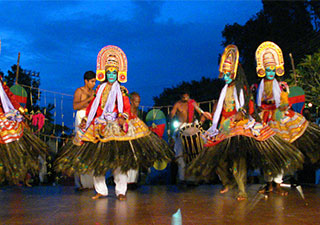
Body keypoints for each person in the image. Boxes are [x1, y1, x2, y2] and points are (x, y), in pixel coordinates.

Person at [55, 45, 173, 200]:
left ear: (119, 74)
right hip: (100, 125)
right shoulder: (99, 89)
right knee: (98, 160)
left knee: (119, 161)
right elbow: (93, 106)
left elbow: (125, 106)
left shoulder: (122, 90)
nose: (111, 75)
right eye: (109, 72)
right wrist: (86, 120)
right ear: (105, 73)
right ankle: (101, 190)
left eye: (114, 72)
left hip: (117, 125)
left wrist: (123, 117)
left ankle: (121, 191)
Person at [187, 45, 303, 200]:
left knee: (248, 156)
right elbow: (221, 107)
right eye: (224, 74)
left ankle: (256, 186)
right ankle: (230, 182)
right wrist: (214, 126)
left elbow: (244, 108)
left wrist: (281, 104)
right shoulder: (226, 89)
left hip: (245, 124)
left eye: (228, 74)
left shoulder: (244, 88)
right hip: (228, 125)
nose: (225, 76)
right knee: (215, 155)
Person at [255, 41, 320, 194]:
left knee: (279, 151)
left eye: (272, 70)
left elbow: (280, 102)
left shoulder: (277, 83)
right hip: (265, 117)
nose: (270, 72)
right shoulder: (262, 83)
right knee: (266, 152)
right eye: (268, 70)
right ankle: (268, 183)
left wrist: (282, 105)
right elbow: (259, 101)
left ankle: (277, 183)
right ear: (264, 70)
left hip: (277, 117)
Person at [0, 75, 47, 185]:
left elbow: (10, 97)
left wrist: (23, 112)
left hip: (4, 115)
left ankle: (21, 175)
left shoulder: (2, 83)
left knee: (17, 132)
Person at [170, 91, 211, 184]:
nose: (185, 97)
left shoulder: (193, 103)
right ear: (180, 96)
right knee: (179, 152)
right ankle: (182, 178)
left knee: (203, 142)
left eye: (187, 95)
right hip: (180, 127)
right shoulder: (177, 104)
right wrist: (171, 116)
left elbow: (200, 112)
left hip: (193, 126)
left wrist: (202, 118)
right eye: (183, 95)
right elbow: (172, 114)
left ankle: (195, 177)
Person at [72, 71, 96, 190]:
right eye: (92, 81)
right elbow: (75, 106)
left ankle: (90, 183)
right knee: (81, 147)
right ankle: (80, 183)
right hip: (81, 117)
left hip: (91, 119)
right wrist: (89, 100)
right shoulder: (79, 91)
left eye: (94, 81)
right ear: (86, 81)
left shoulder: (94, 92)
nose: (93, 83)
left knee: (91, 148)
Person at [127, 92, 141, 187]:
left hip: (135, 136)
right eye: (136, 102)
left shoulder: (138, 111)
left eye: (139, 102)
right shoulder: (126, 110)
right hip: (127, 135)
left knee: (135, 157)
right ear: (131, 101)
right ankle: (127, 181)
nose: (138, 104)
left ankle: (133, 181)